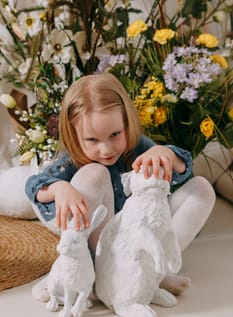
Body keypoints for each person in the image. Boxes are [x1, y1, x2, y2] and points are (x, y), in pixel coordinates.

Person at [25, 72, 216, 301]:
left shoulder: (137, 146)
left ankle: (156, 270)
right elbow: (35, 186)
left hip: (139, 239)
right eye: (92, 140)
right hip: (100, 249)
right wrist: (59, 188)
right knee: (93, 174)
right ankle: (90, 273)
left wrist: (165, 154)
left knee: (202, 188)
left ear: (127, 123)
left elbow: (182, 175)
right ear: (75, 137)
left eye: (115, 134)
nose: (106, 150)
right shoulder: (71, 161)